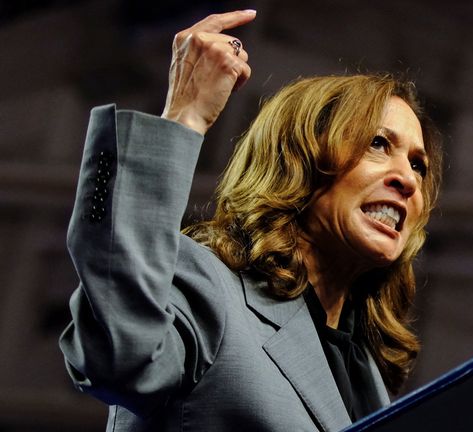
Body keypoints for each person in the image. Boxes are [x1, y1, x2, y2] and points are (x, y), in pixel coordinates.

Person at [58, 9, 443, 432]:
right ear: (299, 162)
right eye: (377, 143)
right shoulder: (208, 289)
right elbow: (120, 356)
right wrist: (185, 115)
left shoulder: (365, 370)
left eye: (419, 165)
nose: (408, 179)